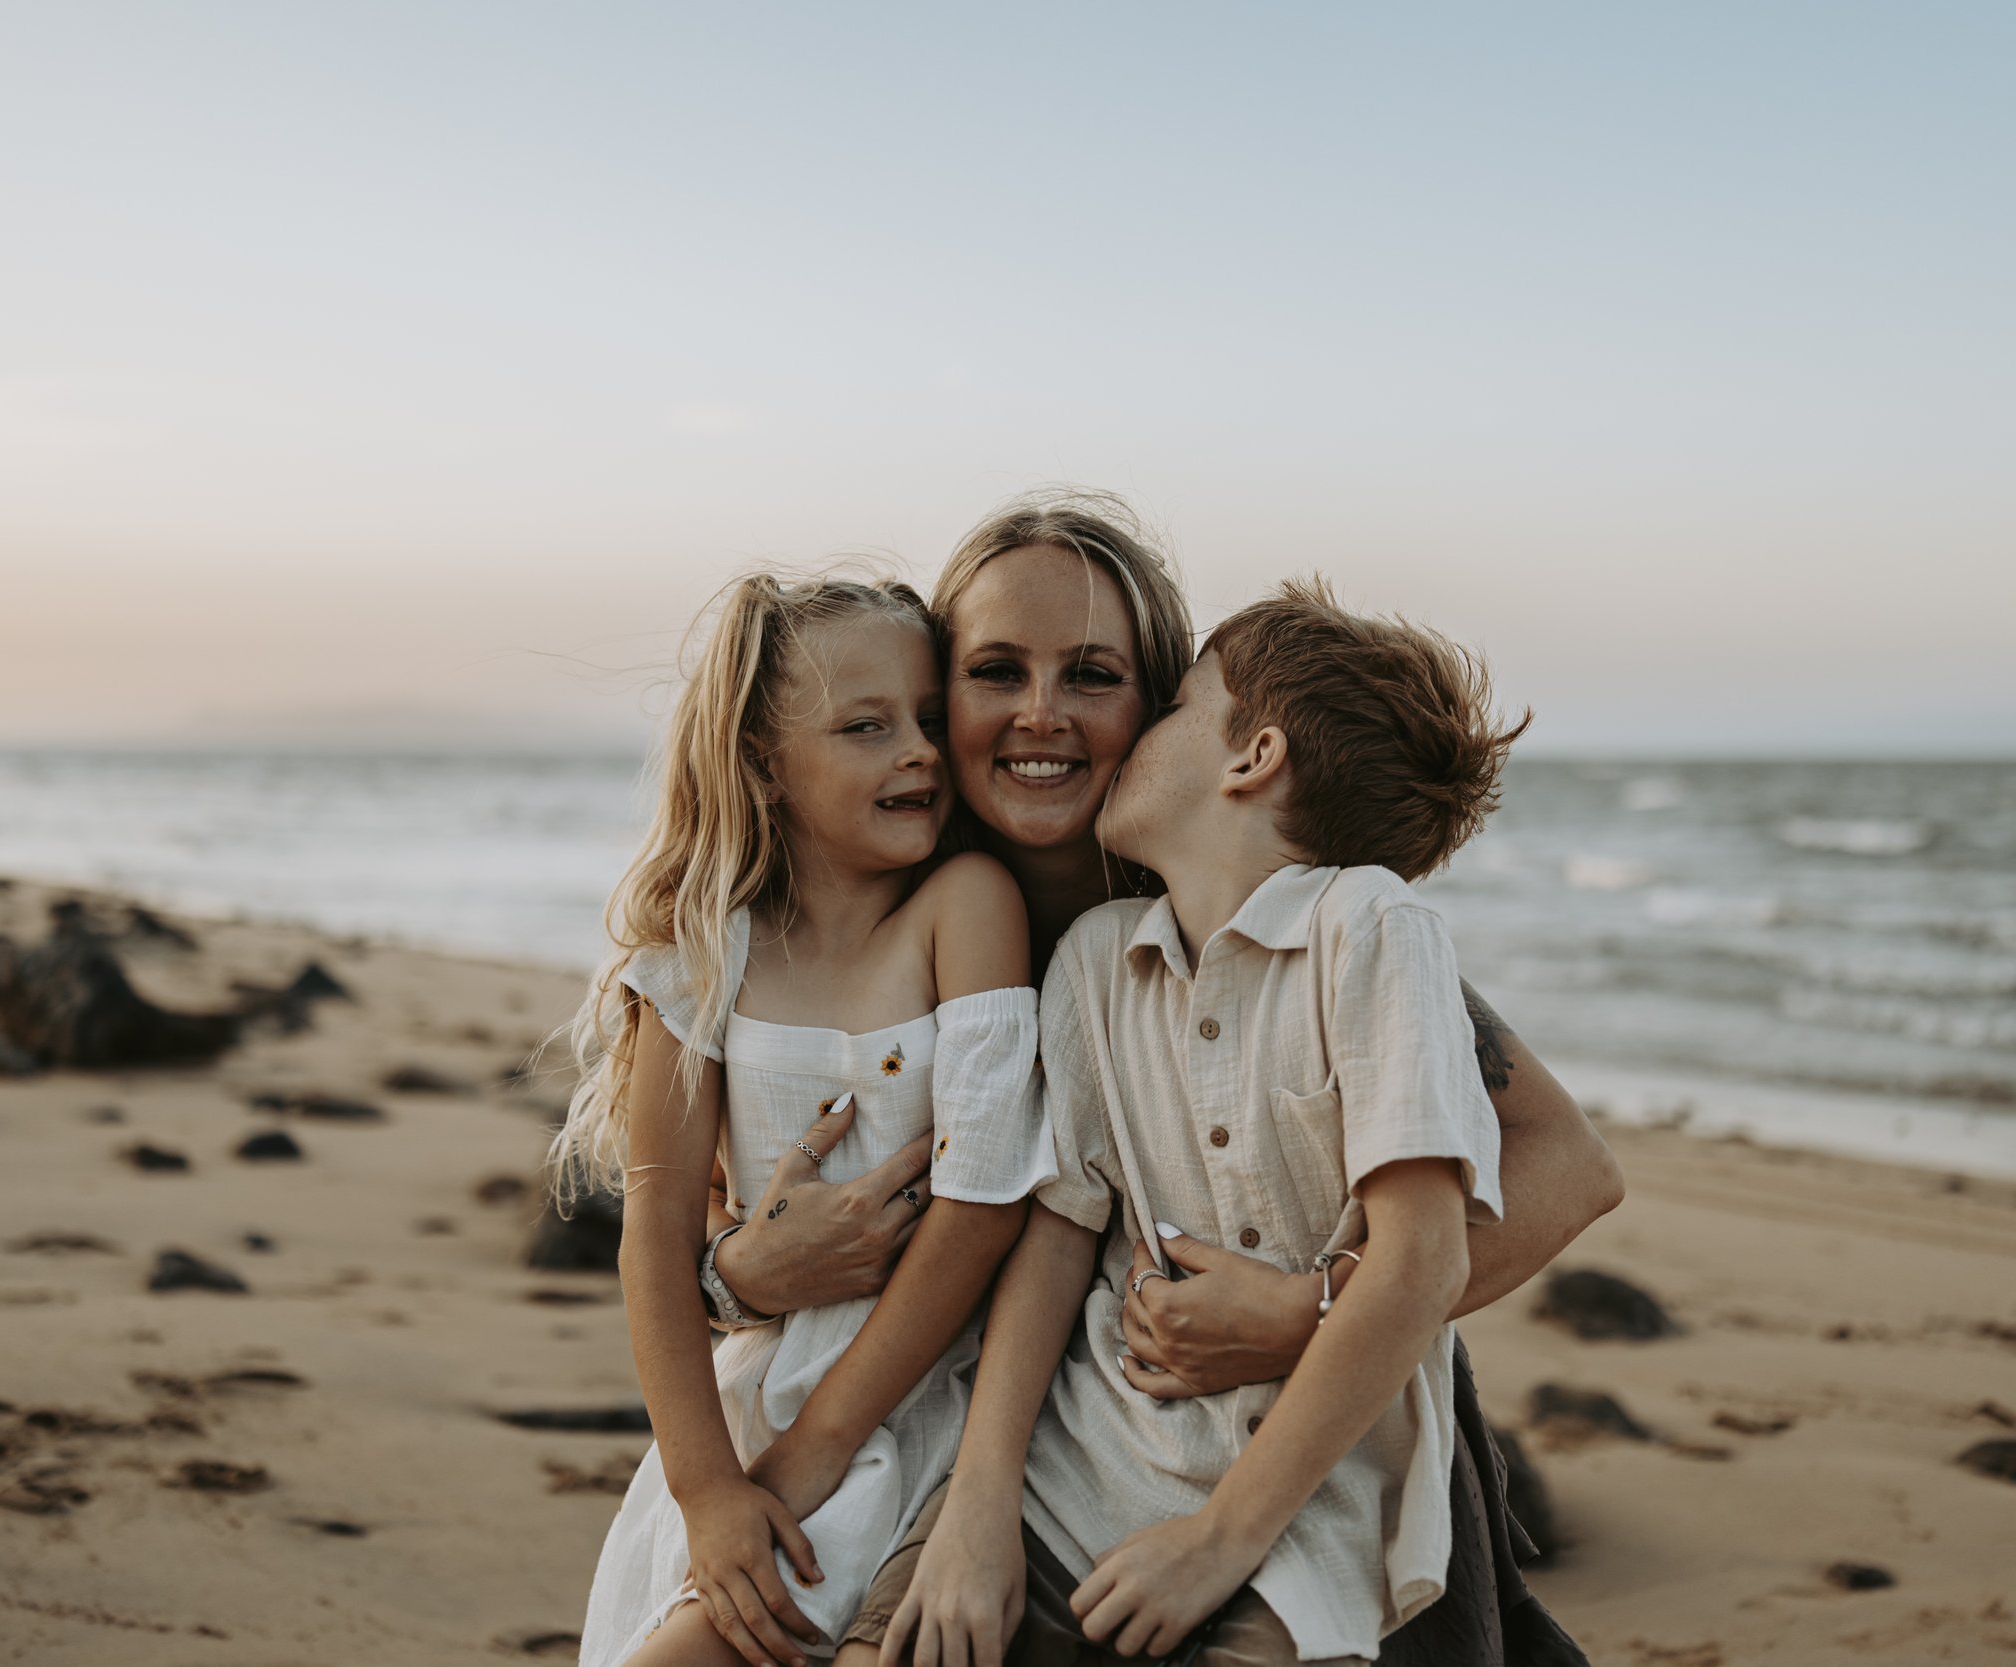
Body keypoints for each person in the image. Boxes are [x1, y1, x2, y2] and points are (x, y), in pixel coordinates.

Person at [697, 492, 1616, 1665]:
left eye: (1093, 674)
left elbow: (1565, 1162)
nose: (1041, 713)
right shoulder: (880, 888)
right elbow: (721, 1190)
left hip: (1244, 1434)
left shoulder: (1271, 913)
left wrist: (1303, 1310)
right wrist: (732, 1271)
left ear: (1162, 701)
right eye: (994, 670)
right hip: (956, 1431)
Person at [884, 578, 1523, 1667]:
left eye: (1174, 704)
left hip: (1298, 1509)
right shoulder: (1095, 956)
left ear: (1251, 754)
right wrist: (977, 1502)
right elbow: (1058, 1227)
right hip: (1080, 1466)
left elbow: (1421, 1258)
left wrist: (1221, 1537)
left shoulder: (1370, 927)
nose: (1138, 734)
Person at [557, 573, 1055, 1667]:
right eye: (866, 726)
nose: (919, 751)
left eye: (928, 719)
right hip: (746, 1415)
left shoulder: (966, 906)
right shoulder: (705, 955)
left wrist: (824, 1440)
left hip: (912, 1400)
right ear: (763, 765)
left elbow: (981, 1205)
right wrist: (704, 1485)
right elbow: (655, 1230)